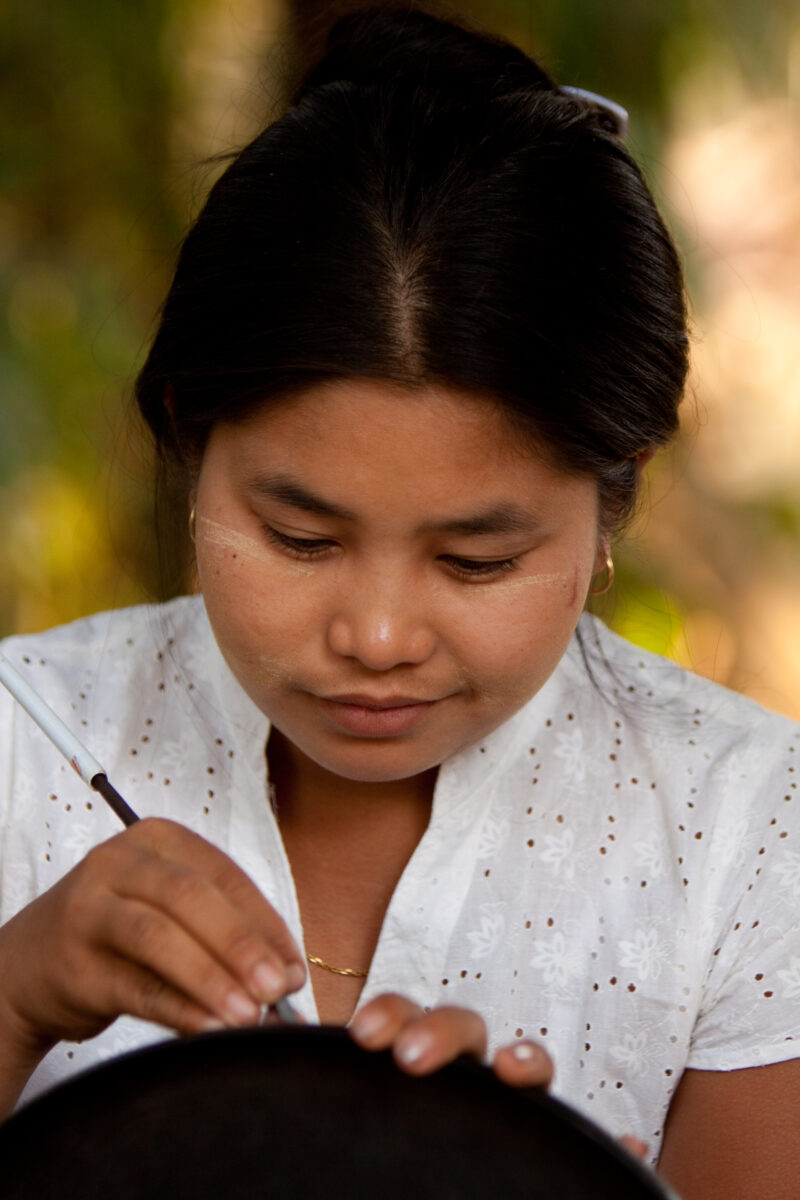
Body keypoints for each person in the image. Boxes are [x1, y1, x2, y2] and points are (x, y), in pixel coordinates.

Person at [0, 8, 798, 1195]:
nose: (374, 638)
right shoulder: (23, 743)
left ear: (611, 498)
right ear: (188, 438)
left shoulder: (746, 829)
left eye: (476, 560)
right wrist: (15, 994)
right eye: (300, 538)